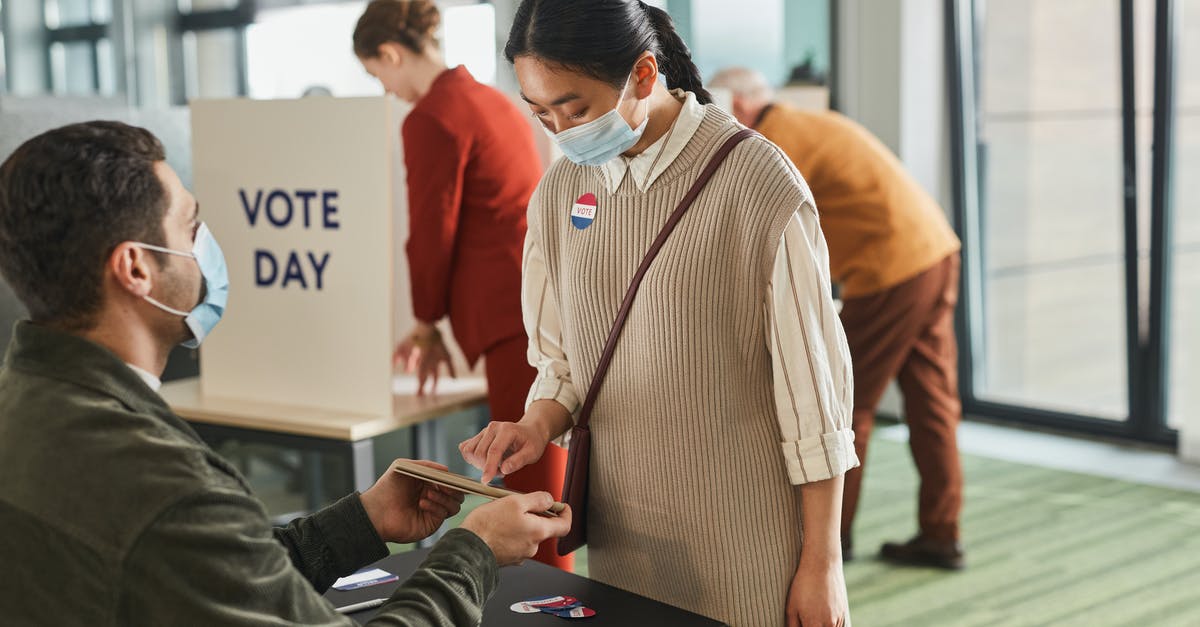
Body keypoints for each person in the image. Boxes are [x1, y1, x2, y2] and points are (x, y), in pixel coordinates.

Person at [0, 121, 572, 625]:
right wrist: (472, 550)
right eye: (191, 225)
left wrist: (361, 522)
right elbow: (189, 534)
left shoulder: (31, 405)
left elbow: (213, 572)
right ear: (135, 268)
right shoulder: (160, 483)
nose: (207, 244)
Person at [461, 2, 859, 626]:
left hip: (748, 550)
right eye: (540, 112)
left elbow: (816, 401)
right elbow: (564, 365)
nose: (560, 131)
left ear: (644, 75)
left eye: (576, 108)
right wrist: (535, 426)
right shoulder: (561, 193)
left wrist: (823, 564)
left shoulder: (757, 183)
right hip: (626, 548)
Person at [710, 66, 966, 569]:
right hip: (933, 251)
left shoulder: (773, 142)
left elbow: (754, 227)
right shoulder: (803, 124)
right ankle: (941, 533)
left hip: (891, 266)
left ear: (736, 105)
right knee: (932, 400)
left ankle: (832, 540)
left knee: (844, 404)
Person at [353, 0, 572, 570]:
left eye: (378, 74)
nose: (386, 90)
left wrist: (425, 322)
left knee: (532, 500)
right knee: (542, 484)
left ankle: (550, 608)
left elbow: (431, 231)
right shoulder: (488, 100)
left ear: (392, 53)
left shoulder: (431, 117)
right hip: (538, 302)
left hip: (508, 316)